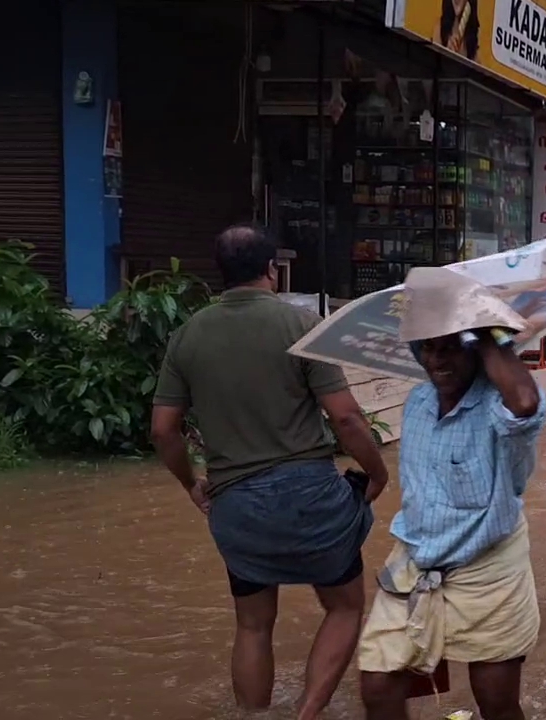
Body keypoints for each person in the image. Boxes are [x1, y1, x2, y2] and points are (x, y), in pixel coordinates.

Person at [150, 224, 388, 720]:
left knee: (253, 625)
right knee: (344, 606)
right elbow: (345, 418)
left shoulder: (187, 335)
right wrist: (378, 474)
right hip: (310, 496)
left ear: (220, 273)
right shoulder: (300, 325)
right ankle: (306, 713)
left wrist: (192, 485)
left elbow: (164, 431)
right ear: (271, 270)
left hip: (235, 504)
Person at [357, 297, 546, 720]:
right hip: (417, 557)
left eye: (449, 347)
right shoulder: (419, 402)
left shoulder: (500, 405)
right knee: (378, 683)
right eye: (428, 348)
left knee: (496, 700)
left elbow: (525, 405)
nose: (436, 359)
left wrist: (486, 329)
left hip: (489, 565)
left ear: (475, 350)